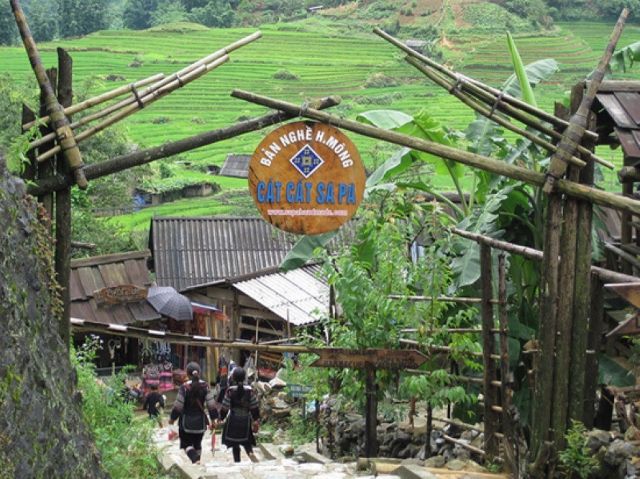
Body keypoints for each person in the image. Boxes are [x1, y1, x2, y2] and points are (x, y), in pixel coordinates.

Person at [169, 362, 217, 464]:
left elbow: (178, 406)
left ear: (187, 374)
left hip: (186, 423)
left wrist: (172, 419)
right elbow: (211, 405)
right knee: (197, 443)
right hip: (200, 423)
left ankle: (195, 459)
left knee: (186, 444)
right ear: (199, 373)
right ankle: (197, 461)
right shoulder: (205, 386)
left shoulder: (184, 387)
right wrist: (214, 420)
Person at [217, 367, 260, 463]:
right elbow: (254, 407)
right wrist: (256, 419)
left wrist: (221, 417)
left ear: (233, 378)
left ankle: (237, 461)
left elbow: (225, 406)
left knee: (235, 443)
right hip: (246, 419)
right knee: (247, 440)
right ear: (244, 377)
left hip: (233, 419)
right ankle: (250, 453)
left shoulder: (230, 391)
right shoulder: (250, 391)